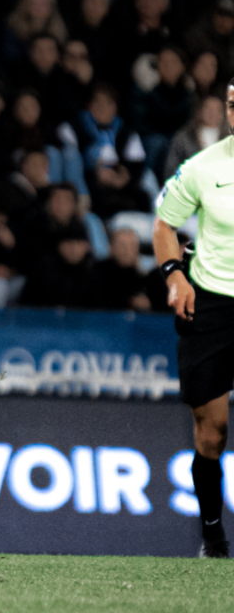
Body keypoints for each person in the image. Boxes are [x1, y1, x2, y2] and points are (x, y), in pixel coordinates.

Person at [153, 79, 234, 559]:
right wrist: (174, 275)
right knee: (211, 432)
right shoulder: (202, 168)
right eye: (232, 105)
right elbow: (165, 225)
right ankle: (213, 537)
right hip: (212, 305)